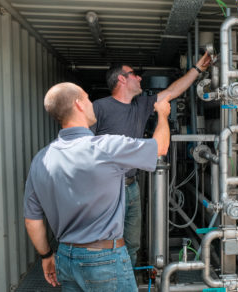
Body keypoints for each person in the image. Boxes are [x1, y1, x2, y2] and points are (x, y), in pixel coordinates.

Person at [23, 82, 170, 291]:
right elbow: (160, 147)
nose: (92, 104)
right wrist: (163, 115)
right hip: (105, 260)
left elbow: (32, 221)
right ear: (79, 104)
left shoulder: (41, 159)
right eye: (88, 98)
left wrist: (47, 256)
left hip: (65, 258)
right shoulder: (106, 147)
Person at [90, 53, 212, 267]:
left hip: (131, 186)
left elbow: (172, 91)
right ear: (121, 79)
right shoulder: (99, 108)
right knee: (105, 243)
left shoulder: (142, 105)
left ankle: (128, 281)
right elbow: (82, 148)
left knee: (132, 242)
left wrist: (197, 70)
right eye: (134, 75)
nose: (139, 79)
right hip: (105, 189)